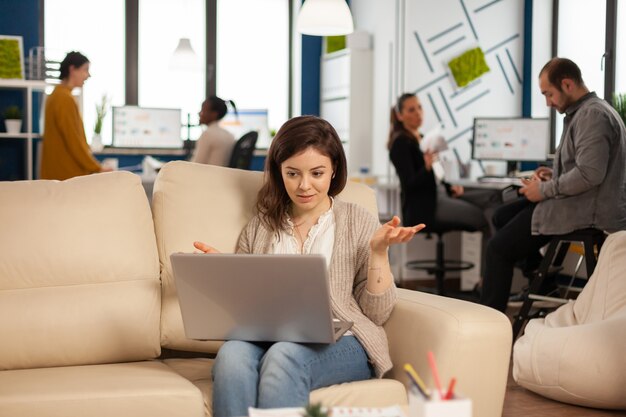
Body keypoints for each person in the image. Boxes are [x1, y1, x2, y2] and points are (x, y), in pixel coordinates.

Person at [193, 115, 425, 417]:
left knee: (283, 356)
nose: (304, 186)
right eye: (292, 174)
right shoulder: (260, 227)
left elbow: (376, 314)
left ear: (334, 170)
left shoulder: (358, 220)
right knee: (231, 357)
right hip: (266, 336)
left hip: (343, 341)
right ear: (279, 172)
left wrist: (378, 253)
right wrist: (223, 276)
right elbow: (241, 314)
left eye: (317, 173)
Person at [481, 57, 626, 313]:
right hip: (579, 202)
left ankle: (490, 324)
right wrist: (553, 173)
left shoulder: (592, 116)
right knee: (501, 214)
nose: (547, 102)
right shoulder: (584, 112)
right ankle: (544, 282)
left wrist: (544, 190)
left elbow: (590, 175)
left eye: (549, 94)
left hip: (586, 212)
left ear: (567, 84)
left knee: (497, 249)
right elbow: (583, 167)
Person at [388, 93, 500, 274]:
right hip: (428, 206)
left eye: (419, 107)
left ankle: (490, 278)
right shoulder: (400, 143)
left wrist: (450, 187)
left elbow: (436, 176)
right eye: (411, 110)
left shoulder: (423, 138)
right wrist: (426, 167)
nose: (418, 113)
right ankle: (487, 280)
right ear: (400, 116)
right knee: (486, 217)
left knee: (492, 199)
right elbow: (410, 183)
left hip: (440, 195)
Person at [40, 51, 109, 180]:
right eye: (85, 70)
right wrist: (96, 167)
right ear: (72, 69)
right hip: (66, 176)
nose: (88, 75)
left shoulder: (58, 95)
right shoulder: (64, 98)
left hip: (60, 176)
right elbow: (73, 140)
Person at [190, 96, 237, 166]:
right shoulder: (230, 135)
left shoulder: (207, 134)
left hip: (207, 176)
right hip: (221, 175)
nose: (199, 113)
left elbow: (196, 164)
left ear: (214, 114)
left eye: (202, 110)